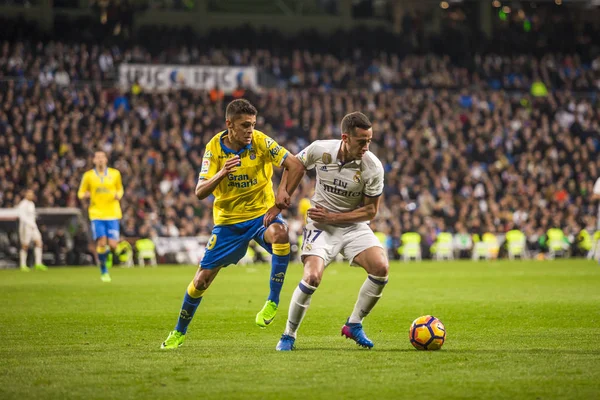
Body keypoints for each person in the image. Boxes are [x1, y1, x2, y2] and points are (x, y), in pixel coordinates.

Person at [160, 99, 305, 349]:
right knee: (201, 281)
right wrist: (221, 173)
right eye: (244, 125)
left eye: (252, 125)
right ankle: (179, 332)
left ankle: (272, 300)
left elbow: (295, 165)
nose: (250, 130)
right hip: (228, 223)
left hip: (262, 215)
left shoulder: (260, 141)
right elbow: (199, 192)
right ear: (229, 125)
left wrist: (278, 201)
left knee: (281, 234)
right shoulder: (213, 148)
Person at [276, 112, 389, 351]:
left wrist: (335, 216)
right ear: (345, 138)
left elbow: (370, 211)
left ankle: (354, 324)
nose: (366, 147)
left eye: (369, 140)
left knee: (381, 268)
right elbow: (293, 164)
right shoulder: (320, 150)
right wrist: (283, 191)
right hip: (321, 226)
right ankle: (288, 334)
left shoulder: (372, 167)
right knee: (312, 277)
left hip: (352, 225)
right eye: (361, 141)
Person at [77, 150, 124, 282]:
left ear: (106, 160)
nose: (100, 160)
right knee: (102, 242)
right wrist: (84, 195)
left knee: (114, 245)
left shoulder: (115, 174)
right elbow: (80, 192)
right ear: (94, 160)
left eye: (102, 157)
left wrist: (118, 195)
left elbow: (120, 188)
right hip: (97, 213)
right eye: (97, 157)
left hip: (113, 213)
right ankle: (104, 270)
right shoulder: (88, 176)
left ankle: (105, 256)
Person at [16, 190, 47, 272]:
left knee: (39, 242)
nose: (31, 195)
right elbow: (22, 217)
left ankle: (38, 263)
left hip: (33, 226)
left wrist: (34, 224)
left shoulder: (32, 204)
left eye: (32, 194)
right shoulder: (23, 204)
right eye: (29, 194)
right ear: (26, 195)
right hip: (25, 227)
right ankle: (23, 265)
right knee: (25, 245)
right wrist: (30, 224)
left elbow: (32, 216)